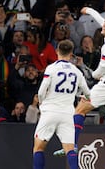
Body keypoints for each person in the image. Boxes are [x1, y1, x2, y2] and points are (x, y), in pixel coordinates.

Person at [54, 7, 105, 169]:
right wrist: (89, 10)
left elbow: (96, 74)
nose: (104, 25)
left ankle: (72, 145)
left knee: (79, 110)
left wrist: (86, 69)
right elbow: (101, 20)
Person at [33, 39, 90, 169]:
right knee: (70, 150)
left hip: (50, 111)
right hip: (67, 114)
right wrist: (83, 97)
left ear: (57, 51)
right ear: (71, 54)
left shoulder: (51, 68)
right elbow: (88, 93)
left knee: (38, 148)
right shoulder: (77, 72)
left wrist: (42, 104)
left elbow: (41, 91)